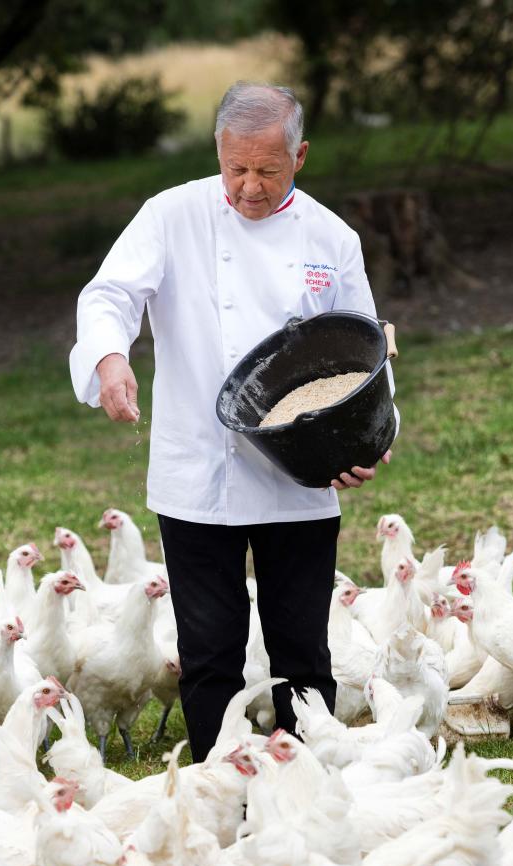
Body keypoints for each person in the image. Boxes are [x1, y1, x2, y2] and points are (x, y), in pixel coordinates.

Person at [70, 82, 398, 763]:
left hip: (302, 471)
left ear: (300, 156)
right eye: (236, 168)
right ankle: (221, 786)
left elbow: (366, 349)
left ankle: (307, 778)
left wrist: (366, 439)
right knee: (210, 648)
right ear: (217, 151)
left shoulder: (331, 238)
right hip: (200, 464)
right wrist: (109, 361)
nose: (249, 185)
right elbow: (110, 294)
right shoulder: (171, 216)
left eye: (267, 171)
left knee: (302, 646)